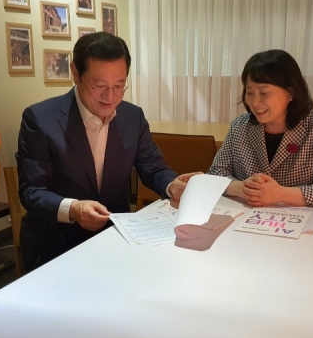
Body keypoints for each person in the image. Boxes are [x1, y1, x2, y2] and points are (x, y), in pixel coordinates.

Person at [17, 32, 196, 271]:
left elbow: (153, 168)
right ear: (75, 73)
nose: (110, 97)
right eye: (99, 86)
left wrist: (172, 185)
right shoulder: (41, 120)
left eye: (119, 86)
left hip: (115, 238)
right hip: (57, 244)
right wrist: (74, 209)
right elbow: (32, 191)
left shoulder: (132, 117)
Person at [207, 49, 313, 207]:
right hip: (248, 216)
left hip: (299, 219)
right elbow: (215, 173)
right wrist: (242, 188)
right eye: (249, 92)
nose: (255, 102)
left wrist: (281, 194)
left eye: (264, 93)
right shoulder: (240, 127)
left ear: (290, 92)